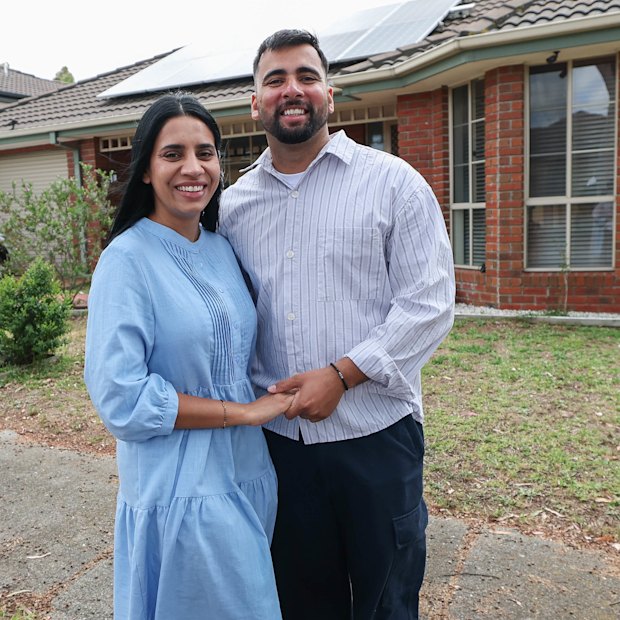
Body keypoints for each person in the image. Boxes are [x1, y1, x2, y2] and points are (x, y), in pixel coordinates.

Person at [219, 29, 456, 620]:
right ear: (255, 103)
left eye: (305, 76)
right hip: (279, 448)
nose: (291, 89)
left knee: (387, 599)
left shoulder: (393, 182)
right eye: (274, 80)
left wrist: (343, 374)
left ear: (331, 92)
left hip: (376, 437)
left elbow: (429, 303)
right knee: (299, 599)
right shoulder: (232, 208)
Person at [84, 92, 292, 620]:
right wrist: (242, 412)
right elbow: (121, 396)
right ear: (147, 171)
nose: (193, 168)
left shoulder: (221, 247)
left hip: (248, 473)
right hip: (183, 487)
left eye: (206, 152)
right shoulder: (126, 260)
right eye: (172, 153)